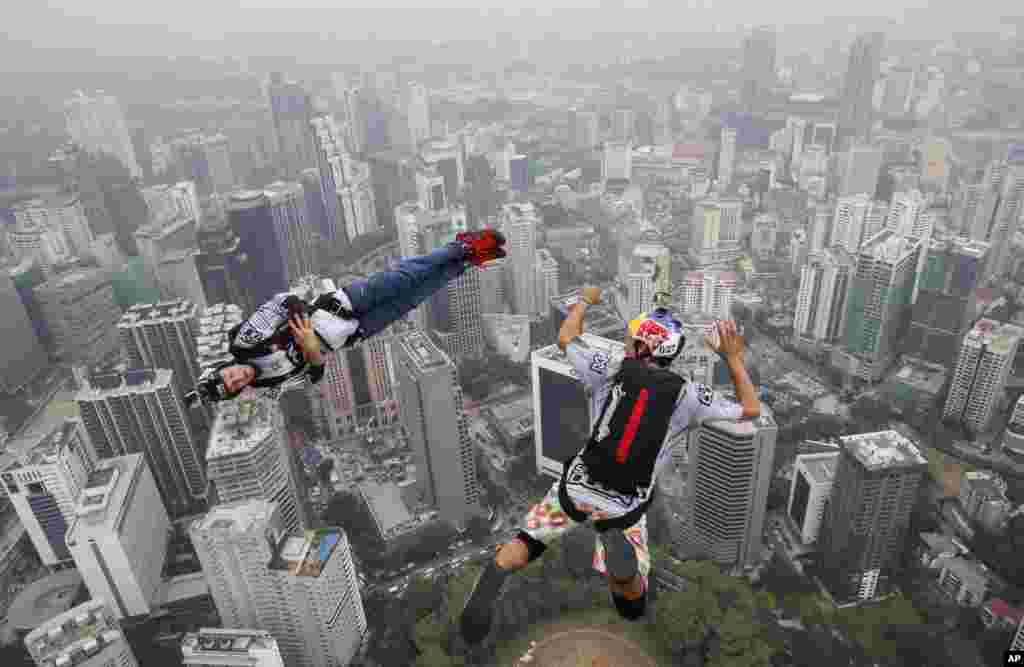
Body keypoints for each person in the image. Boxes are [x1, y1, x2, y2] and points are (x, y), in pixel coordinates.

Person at [459, 286, 760, 644]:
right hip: (625, 506)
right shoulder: (690, 395)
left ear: (637, 345)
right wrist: (733, 357)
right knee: (631, 603)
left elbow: (566, 336)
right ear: (672, 353)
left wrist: (585, 300)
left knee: (530, 538)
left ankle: (496, 574)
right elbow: (750, 409)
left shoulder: (609, 366)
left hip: (577, 485)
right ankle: (620, 560)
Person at [186, 229, 506, 406]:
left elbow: (284, 301)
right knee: (414, 297)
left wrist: (304, 323)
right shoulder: (269, 386)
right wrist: (310, 347)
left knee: (405, 277)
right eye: (234, 387)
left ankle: (460, 246)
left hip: (342, 304)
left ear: (222, 367)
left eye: (229, 377)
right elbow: (313, 376)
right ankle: (466, 261)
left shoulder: (245, 341)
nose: (238, 379)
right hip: (353, 332)